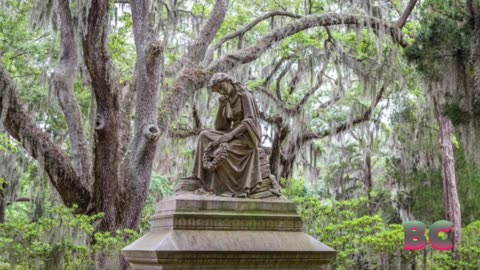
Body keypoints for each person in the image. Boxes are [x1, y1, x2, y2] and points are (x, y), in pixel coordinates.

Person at [190, 73, 263, 197]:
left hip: (245, 136)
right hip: (231, 133)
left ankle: (223, 188)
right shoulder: (227, 99)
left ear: (227, 81)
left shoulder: (244, 95)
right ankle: (200, 179)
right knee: (204, 135)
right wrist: (221, 107)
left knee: (223, 150)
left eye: (220, 87)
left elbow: (250, 121)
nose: (220, 91)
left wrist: (231, 136)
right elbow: (221, 127)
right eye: (217, 90)